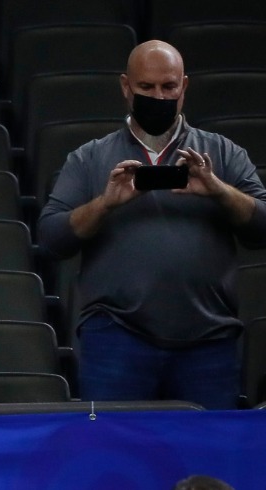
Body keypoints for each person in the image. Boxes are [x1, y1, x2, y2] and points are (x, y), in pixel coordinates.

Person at [38, 40, 266, 409]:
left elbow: (263, 228)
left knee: (206, 458)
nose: (158, 96)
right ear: (126, 87)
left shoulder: (222, 153)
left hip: (209, 341)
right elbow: (51, 238)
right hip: (116, 339)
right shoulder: (89, 158)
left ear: (184, 87)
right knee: (117, 456)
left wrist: (218, 190)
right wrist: (105, 203)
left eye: (168, 87)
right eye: (146, 88)